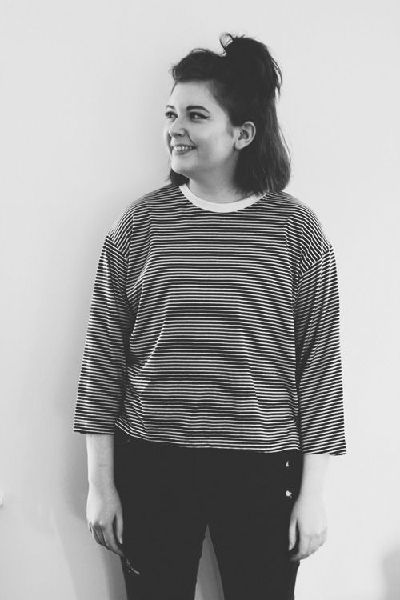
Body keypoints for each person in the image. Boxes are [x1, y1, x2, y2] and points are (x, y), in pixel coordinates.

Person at [73, 32, 346, 600]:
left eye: (196, 115)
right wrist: (100, 484)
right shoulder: (141, 224)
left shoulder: (296, 232)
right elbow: (103, 356)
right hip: (151, 462)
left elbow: (320, 368)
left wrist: (314, 495)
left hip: (263, 467)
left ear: (243, 133)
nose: (175, 128)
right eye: (171, 113)